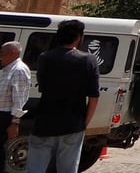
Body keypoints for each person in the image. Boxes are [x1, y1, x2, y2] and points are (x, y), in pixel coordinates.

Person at [26, 19, 100, 173]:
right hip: (73, 123)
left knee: (35, 167)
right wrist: (84, 123)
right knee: (68, 168)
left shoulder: (45, 57)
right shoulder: (88, 60)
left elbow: (42, 87)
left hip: (44, 121)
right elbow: (94, 97)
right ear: (79, 37)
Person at [0, 41, 31, 173]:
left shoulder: (19, 70)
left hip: (5, 116)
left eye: (2, 54)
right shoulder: (7, 68)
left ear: (13, 54)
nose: (0, 57)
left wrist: (14, 122)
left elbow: (20, 99)